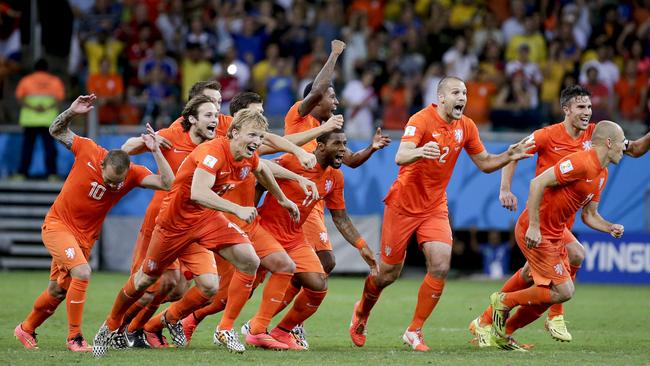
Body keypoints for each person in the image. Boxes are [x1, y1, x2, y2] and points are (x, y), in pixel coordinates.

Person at [92, 109, 301, 358]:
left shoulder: (248, 155)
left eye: (260, 136)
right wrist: (237, 208)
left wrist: (283, 199)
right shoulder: (213, 151)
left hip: (206, 219)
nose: (257, 141)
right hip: (174, 223)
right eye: (252, 135)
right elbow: (198, 193)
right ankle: (112, 323)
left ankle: (225, 329)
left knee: (247, 262)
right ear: (234, 133)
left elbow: (262, 170)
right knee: (145, 281)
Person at [348, 76, 533, 352]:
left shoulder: (466, 126)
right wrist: (422, 151)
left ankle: (414, 330)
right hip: (402, 205)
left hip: (434, 206)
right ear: (442, 97)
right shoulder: (421, 119)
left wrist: (509, 154)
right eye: (457, 92)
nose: (463, 97)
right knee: (387, 273)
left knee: (441, 265)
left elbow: (484, 163)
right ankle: (362, 311)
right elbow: (401, 155)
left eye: (465, 93)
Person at [13, 94, 173, 352]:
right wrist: (71, 112)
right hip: (58, 226)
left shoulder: (132, 174)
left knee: (57, 291)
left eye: (116, 184)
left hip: (85, 238)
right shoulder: (87, 149)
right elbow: (55, 130)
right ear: (102, 163)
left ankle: (26, 328)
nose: (112, 186)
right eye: (108, 180)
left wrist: (155, 151)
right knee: (83, 273)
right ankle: (75, 338)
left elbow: (168, 183)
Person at [282, 39, 390, 346]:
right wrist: (335, 53)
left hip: (310, 205)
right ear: (315, 101)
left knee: (324, 264)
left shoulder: (329, 133)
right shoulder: (299, 118)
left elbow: (349, 161)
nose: (336, 102)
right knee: (275, 267)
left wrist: (371, 147)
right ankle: (260, 323)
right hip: (288, 198)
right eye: (332, 96)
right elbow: (317, 89)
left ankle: (287, 322)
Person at [470, 85, 596, 346]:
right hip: (539, 221)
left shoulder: (592, 135)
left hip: (560, 223)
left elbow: (630, 146)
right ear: (566, 110)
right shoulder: (547, 135)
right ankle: (552, 316)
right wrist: (505, 189)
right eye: (581, 107)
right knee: (564, 275)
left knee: (533, 273)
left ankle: (483, 322)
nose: (587, 112)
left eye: (589, 107)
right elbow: (514, 151)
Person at [488, 120, 626, 351]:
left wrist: (609, 227)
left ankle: (503, 328)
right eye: (622, 143)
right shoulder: (580, 162)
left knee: (575, 257)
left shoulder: (602, 174)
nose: (624, 148)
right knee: (564, 291)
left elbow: (589, 215)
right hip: (537, 230)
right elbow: (537, 182)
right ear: (609, 143)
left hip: (556, 232)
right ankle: (503, 302)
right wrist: (533, 225)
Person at [249, 129, 378, 350]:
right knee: (238, 287)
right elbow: (259, 177)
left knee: (318, 285)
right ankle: (189, 321)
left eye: (345, 144)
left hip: (294, 237)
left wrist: (361, 246)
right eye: (337, 144)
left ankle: (280, 331)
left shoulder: (335, 177)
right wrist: (248, 216)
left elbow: (340, 217)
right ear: (320, 147)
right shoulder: (292, 161)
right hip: (266, 230)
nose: (343, 150)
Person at [13, 58, 65, 180]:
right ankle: (52, 173)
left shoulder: (26, 80)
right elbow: (59, 100)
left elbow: (19, 100)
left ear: (35, 68)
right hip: (48, 120)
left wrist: (34, 107)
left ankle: (22, 173)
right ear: (47, 69)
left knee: (27, 148)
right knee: (50, 148)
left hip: (30, 120)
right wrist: (45, 108)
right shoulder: (55, 81)